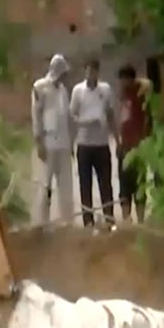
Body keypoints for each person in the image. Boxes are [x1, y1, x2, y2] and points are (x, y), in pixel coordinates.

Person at [70, 59, 117, 226]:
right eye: (88, 71)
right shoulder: (78, 91)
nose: (90, 74)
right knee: (85, 184)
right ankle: (88, 220)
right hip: (84, 143)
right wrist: (85, 121)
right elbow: (72, 115)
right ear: (85, 71)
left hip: (102, 143)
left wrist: (116, 138)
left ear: (98, 72)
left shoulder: (105, 90)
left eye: (93, 71)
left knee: (105, 183)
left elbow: (111, 114)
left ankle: (109, 218)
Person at [31, 54, 75, 224]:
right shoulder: (40, 87)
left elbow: (67, 117)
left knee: (66, 185)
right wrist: (38, 141)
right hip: (48, 142)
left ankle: (67, 220)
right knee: (45, 184)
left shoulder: (63, 90)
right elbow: (36, 115)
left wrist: (71, 143)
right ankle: (43, 222)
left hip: (63, 142)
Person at [116, 64, 153, 222]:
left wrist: (144, 141)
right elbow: (121, 120)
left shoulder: (141, 93)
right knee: (124, 186)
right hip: (125, 146)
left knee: (139, 185)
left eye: (125, 79)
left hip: (138, 147)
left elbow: (149, 84)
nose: (123, 83)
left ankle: (141, 220)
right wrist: (118, 142)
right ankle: (126, 220)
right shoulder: (122, 95)